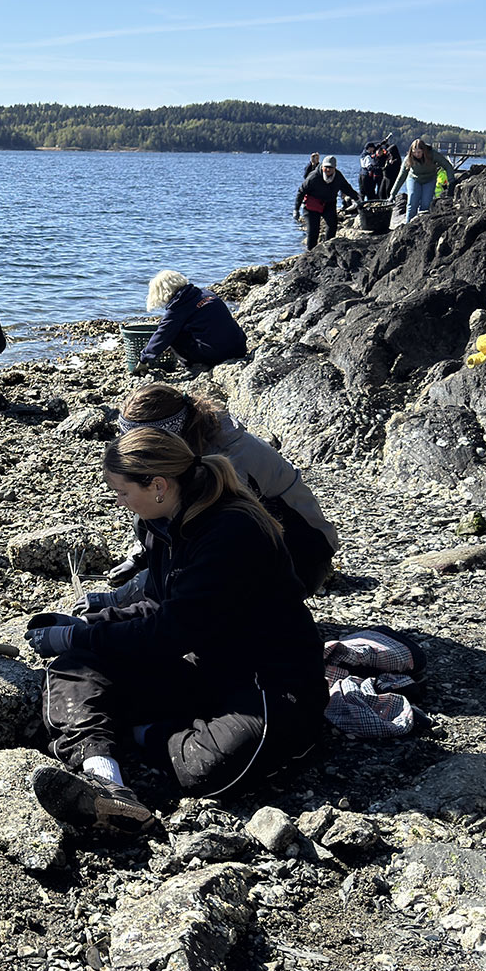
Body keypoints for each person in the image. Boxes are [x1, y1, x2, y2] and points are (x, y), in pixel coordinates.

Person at [24, 427, 326, 836]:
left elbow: (172, 631)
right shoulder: (160, 525)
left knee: (209, 771)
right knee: (74, 666)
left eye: (122, 491)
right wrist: (90, 625)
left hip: (269, 686)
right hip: (203, 668)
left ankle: (141, 733)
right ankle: (105, 781)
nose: (119, 501)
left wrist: (78, 635)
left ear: (158, 486)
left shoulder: (231, 531)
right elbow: (158, 603)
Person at [118, 381, 339, 594]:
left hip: (301, 555)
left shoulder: (227, 459)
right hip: (254, 544)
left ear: (165, 437)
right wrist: (144, 555)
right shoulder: (187, 441)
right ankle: (152, 567)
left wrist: (143, 588)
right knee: (148, 503)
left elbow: (217, 537)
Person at [133, 270, 248, 374]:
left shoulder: (178, 307)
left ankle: (194, 366)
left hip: (218, 355)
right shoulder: (206, 294)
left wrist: (144, 359)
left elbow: (162, 335)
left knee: (174, 333)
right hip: (239, 347)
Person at [293, 154, 361, 249]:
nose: (328, 170)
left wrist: (357, 199)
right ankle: (310, 251)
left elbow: (347, 188)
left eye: (330, 167)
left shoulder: (338, 176)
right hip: (312, 205)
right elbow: (301, 191)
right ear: (322, 166)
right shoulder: (314, 176)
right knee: (313, 231)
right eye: (326, 167)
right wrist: (296, 210)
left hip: (329, 204)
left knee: (332, 225)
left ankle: (328, 247)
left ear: (335, 168)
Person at [393, 137, 455, 220]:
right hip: (414, 179)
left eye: (419, 152)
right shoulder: (409, 158)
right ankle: (408, 222)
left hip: (429, 179)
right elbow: (401, 176)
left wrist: (451, 181)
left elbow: (447, 166)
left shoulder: (432, 154)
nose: (417, 154)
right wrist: (393, 194)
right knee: (412, 202)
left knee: (426, 204)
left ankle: (421, 223)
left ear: (424, 151)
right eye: (414, 152)